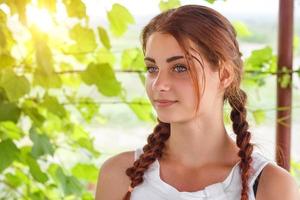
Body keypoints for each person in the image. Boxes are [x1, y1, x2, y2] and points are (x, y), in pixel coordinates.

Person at [95, 4, 300, 200]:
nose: (159, 84)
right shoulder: (119, 176)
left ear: (224, 75)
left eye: (180, 68)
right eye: (152, 68)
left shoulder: (272, 187)